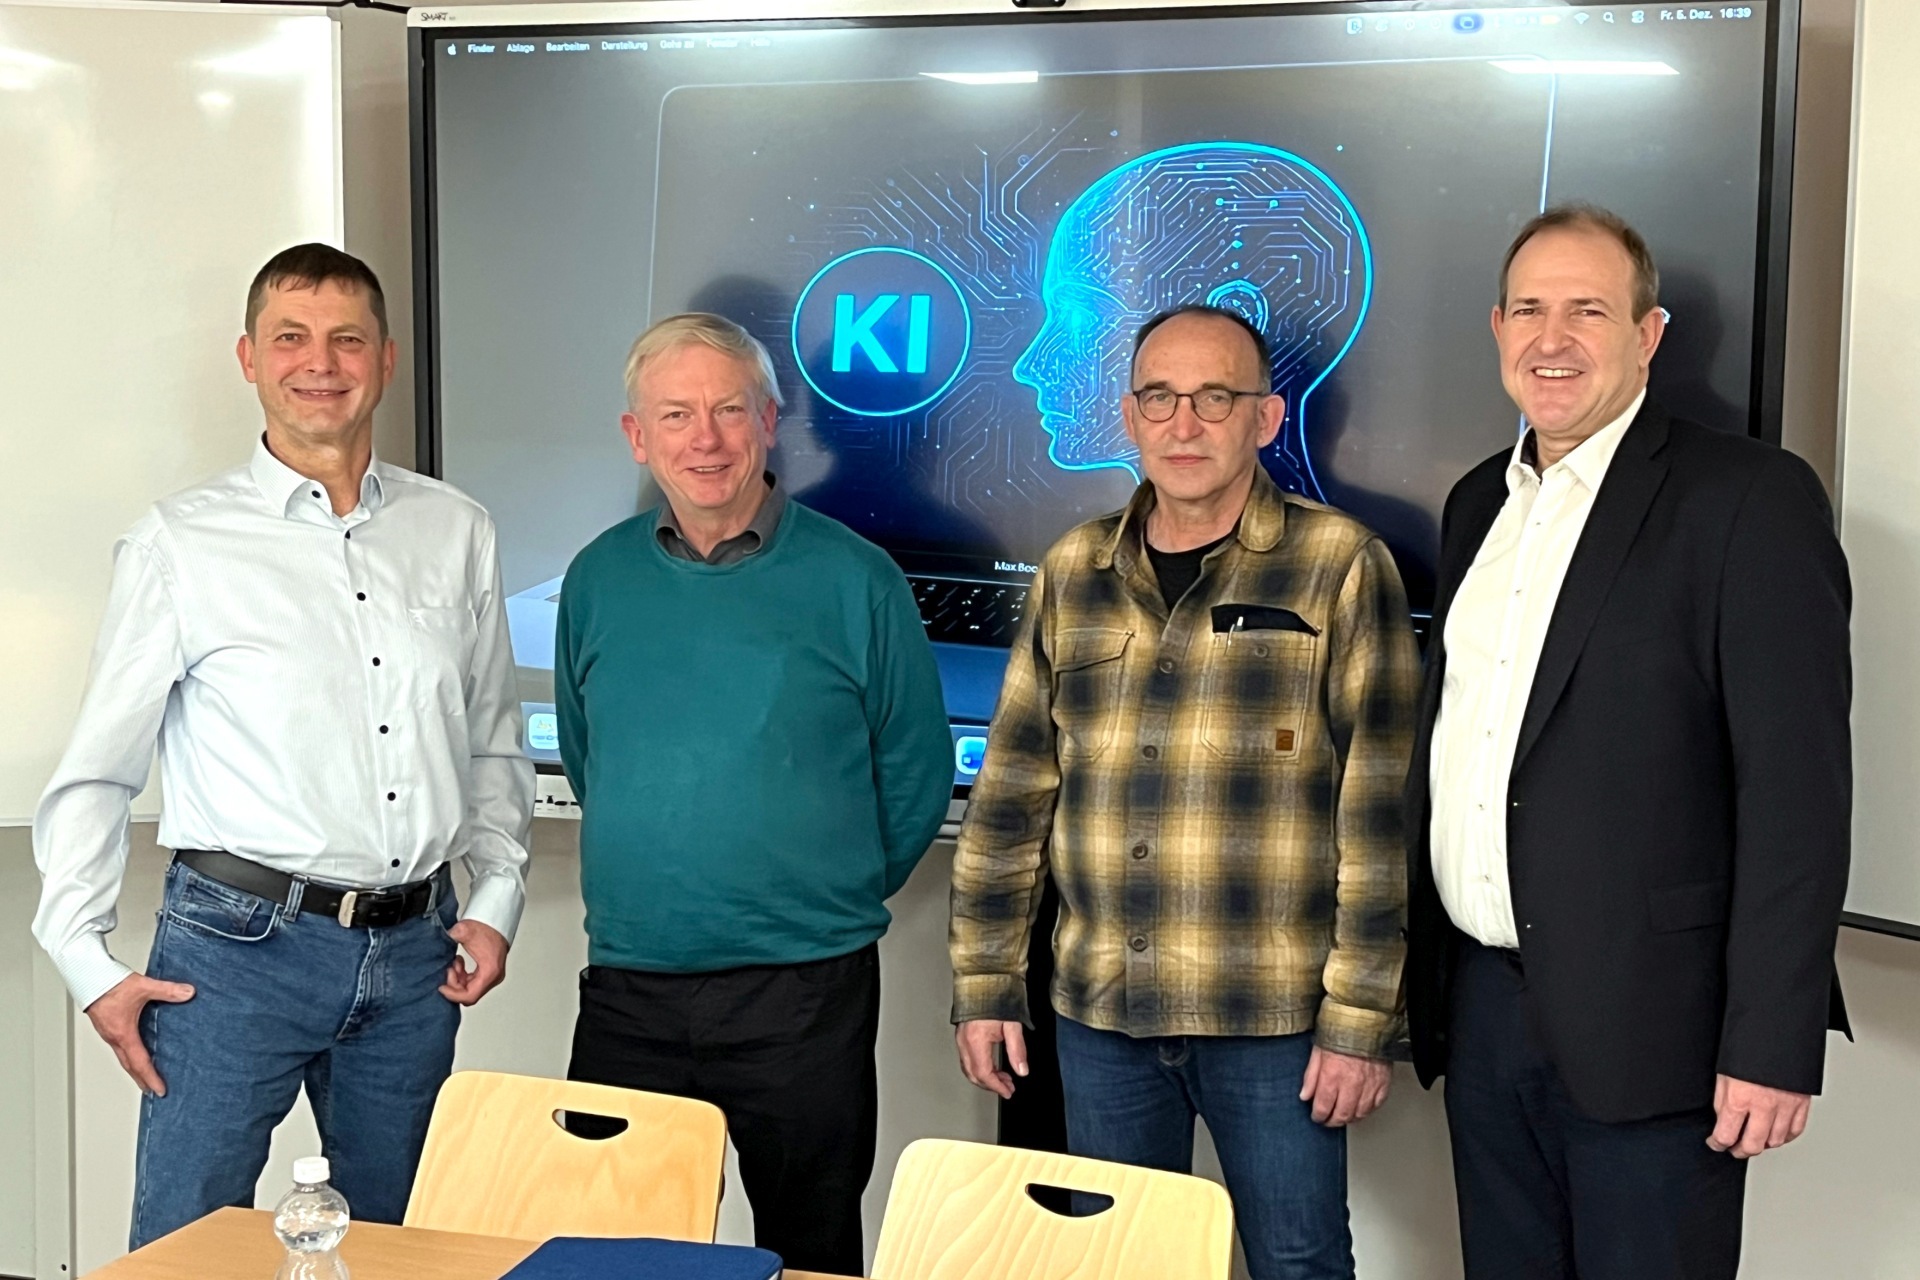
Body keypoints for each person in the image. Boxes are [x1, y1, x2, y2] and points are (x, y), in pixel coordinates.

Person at [32, 244, 533, 1249]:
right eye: (291, 338)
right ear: (249, 359)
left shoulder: (456, 529)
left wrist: (494, 898)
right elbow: (98, 768)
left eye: (347, 338)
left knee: (398, 1247)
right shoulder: (181, 543)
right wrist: (84, 958)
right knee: (183, 1245)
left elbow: (490, 738)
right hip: (235, 952)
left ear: (385, 359)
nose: (322, 362)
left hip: (415, 954)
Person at [1404, 205, 1852, 1280]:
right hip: (1484, 1011)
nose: (1551, 339)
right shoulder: (1477, 502)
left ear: (1647, 335)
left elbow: (1798, 793)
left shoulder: (1748, 499)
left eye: (1587, 310)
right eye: (1530, 310)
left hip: (1659, 1026)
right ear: (1498, 327)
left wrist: (1770, 1041)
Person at [950, 304, 1420, 1280]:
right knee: (1123, 1262)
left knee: (1299, 1261)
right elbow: (1010, 802)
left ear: (1267, 417)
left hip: (1276, 1021)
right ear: (1129, 415)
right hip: (1102, 1015)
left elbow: (1377, 820)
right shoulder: (1074, 569)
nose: (1185, 422)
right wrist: (986, 982)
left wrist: (1361, 1020)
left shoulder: (1340, 565)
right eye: (1160, 396)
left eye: (1217, 397)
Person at [552, 312, 952, 1276]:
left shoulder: (858, 579)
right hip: (631, 989)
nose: (706, 439)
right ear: (636, 436)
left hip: (804, 990)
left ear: (770, 421)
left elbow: (914, 770)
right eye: (677, 414)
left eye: (730, 409)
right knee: (612, 1252)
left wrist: (824, 887)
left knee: (809, 1247)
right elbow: (585, 751)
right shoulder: (597, 578)